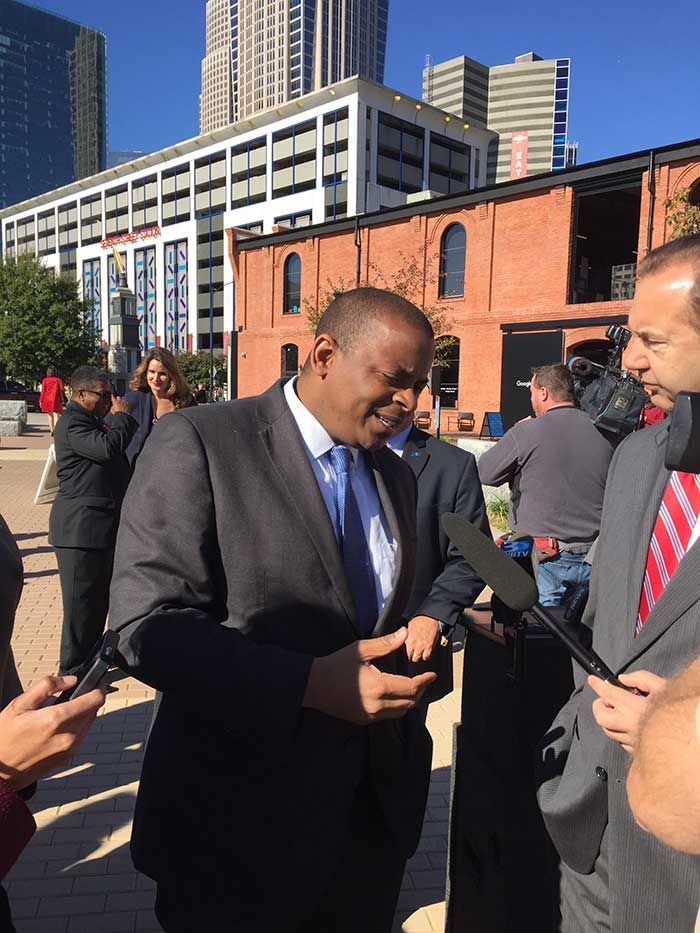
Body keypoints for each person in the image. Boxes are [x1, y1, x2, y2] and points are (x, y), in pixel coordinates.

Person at [109, 287, 438, 933]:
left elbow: (364, 623)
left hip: (366, 833)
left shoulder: (396, 475)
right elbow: (143, 626)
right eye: (395, 379)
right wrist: (309, 684)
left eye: (420, 385)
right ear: (324, 354)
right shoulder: (200, 441)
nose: (410, 401)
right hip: (237, 838)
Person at [537, 234, 700, 933]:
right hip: (591, 834)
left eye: (652, 341)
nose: (630, 360)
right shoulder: (635, 455)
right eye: (630, 335)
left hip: (683, 863)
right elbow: (607, 620)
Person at [477, 364, 613, 606]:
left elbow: (485, 473)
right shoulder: (605, 432)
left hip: (544, 562)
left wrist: (516, 432)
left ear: (543, 393)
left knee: (542, 628)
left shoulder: (527, 431)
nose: (531, 399)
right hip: (596, 559)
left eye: (531, 391)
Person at [386, 419, 488, 708]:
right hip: (337, 657)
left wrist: (433, 614)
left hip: (411, 653)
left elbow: (472, 556)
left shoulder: (452, 465)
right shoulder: (338, 455)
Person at [49, 367, 137, 676]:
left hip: (99, 530)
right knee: (80, 609)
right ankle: (71, 675)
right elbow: (106, 449)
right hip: (80, 531)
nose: (110, 400)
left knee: (96, 605)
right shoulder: (73, 422)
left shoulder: (92, 420)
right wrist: (122, 417)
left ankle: (89, 667)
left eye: (111, 394)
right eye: (103, 395)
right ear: (80, 394)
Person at [122, 348, 195, 467]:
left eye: (162, 374)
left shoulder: (185, 401)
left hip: (175, 469)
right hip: (139, 471)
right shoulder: (133, 400)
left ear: (171, 375)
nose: (156, 378)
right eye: (152, 372)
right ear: (145, 373)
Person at [39, 366, 66, 436]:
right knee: (56, 414)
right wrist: (63, 399)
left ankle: (51, 430)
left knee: (50, 415)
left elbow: (43, 391)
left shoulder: (45, 380)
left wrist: (41, 400)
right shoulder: (58, 380)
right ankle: (56, 430)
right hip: (56, 399)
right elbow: (62, 390)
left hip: (47, 399)